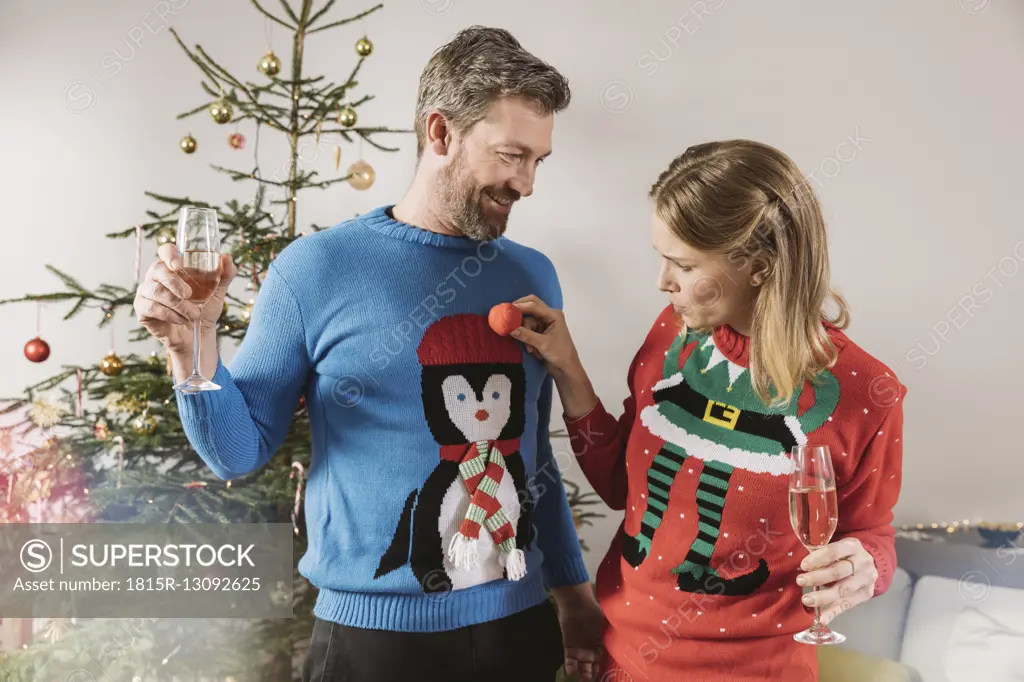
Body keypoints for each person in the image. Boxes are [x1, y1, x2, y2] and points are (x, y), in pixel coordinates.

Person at [133, 26, 603, 682]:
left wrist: (574, 594)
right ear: (439, 133)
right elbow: (237, 451)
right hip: (371, 644)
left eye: (538, 161)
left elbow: (527, 455)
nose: (525, 183)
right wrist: (191, 347)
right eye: (511, 155)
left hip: (517, 634)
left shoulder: (532, 277)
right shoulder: (315, 270)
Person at [510, 139, 906, 681]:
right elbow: (624, 490)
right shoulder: (672, 335)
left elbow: (873, 535)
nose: (662, 281)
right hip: (624, 662)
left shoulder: (867, 392)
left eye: (682, 263)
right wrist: (567, 367)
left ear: (760, 267)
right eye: (662, 257)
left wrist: (869, 565)